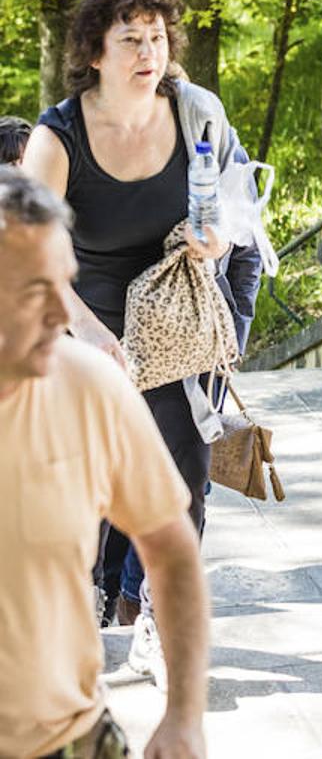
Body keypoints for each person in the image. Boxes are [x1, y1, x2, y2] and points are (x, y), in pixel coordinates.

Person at [24, 0, 260, 661]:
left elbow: (237, 206)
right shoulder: (59, 134)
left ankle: (162, 624)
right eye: (130, 39)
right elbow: (32, 251)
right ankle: (80, 620)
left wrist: (217, 240)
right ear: (94, 52)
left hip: (178, 321)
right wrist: (89, 332)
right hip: (82, 327)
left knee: (178, 483)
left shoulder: (196, 112)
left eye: (156, 38)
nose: (147, 52)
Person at [0, 169, 209, 759]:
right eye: (33, 291)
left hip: (72, 739)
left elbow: (172, 551)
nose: (59, 314)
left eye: (65, 287)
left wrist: (185, 717)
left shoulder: (91, 386)